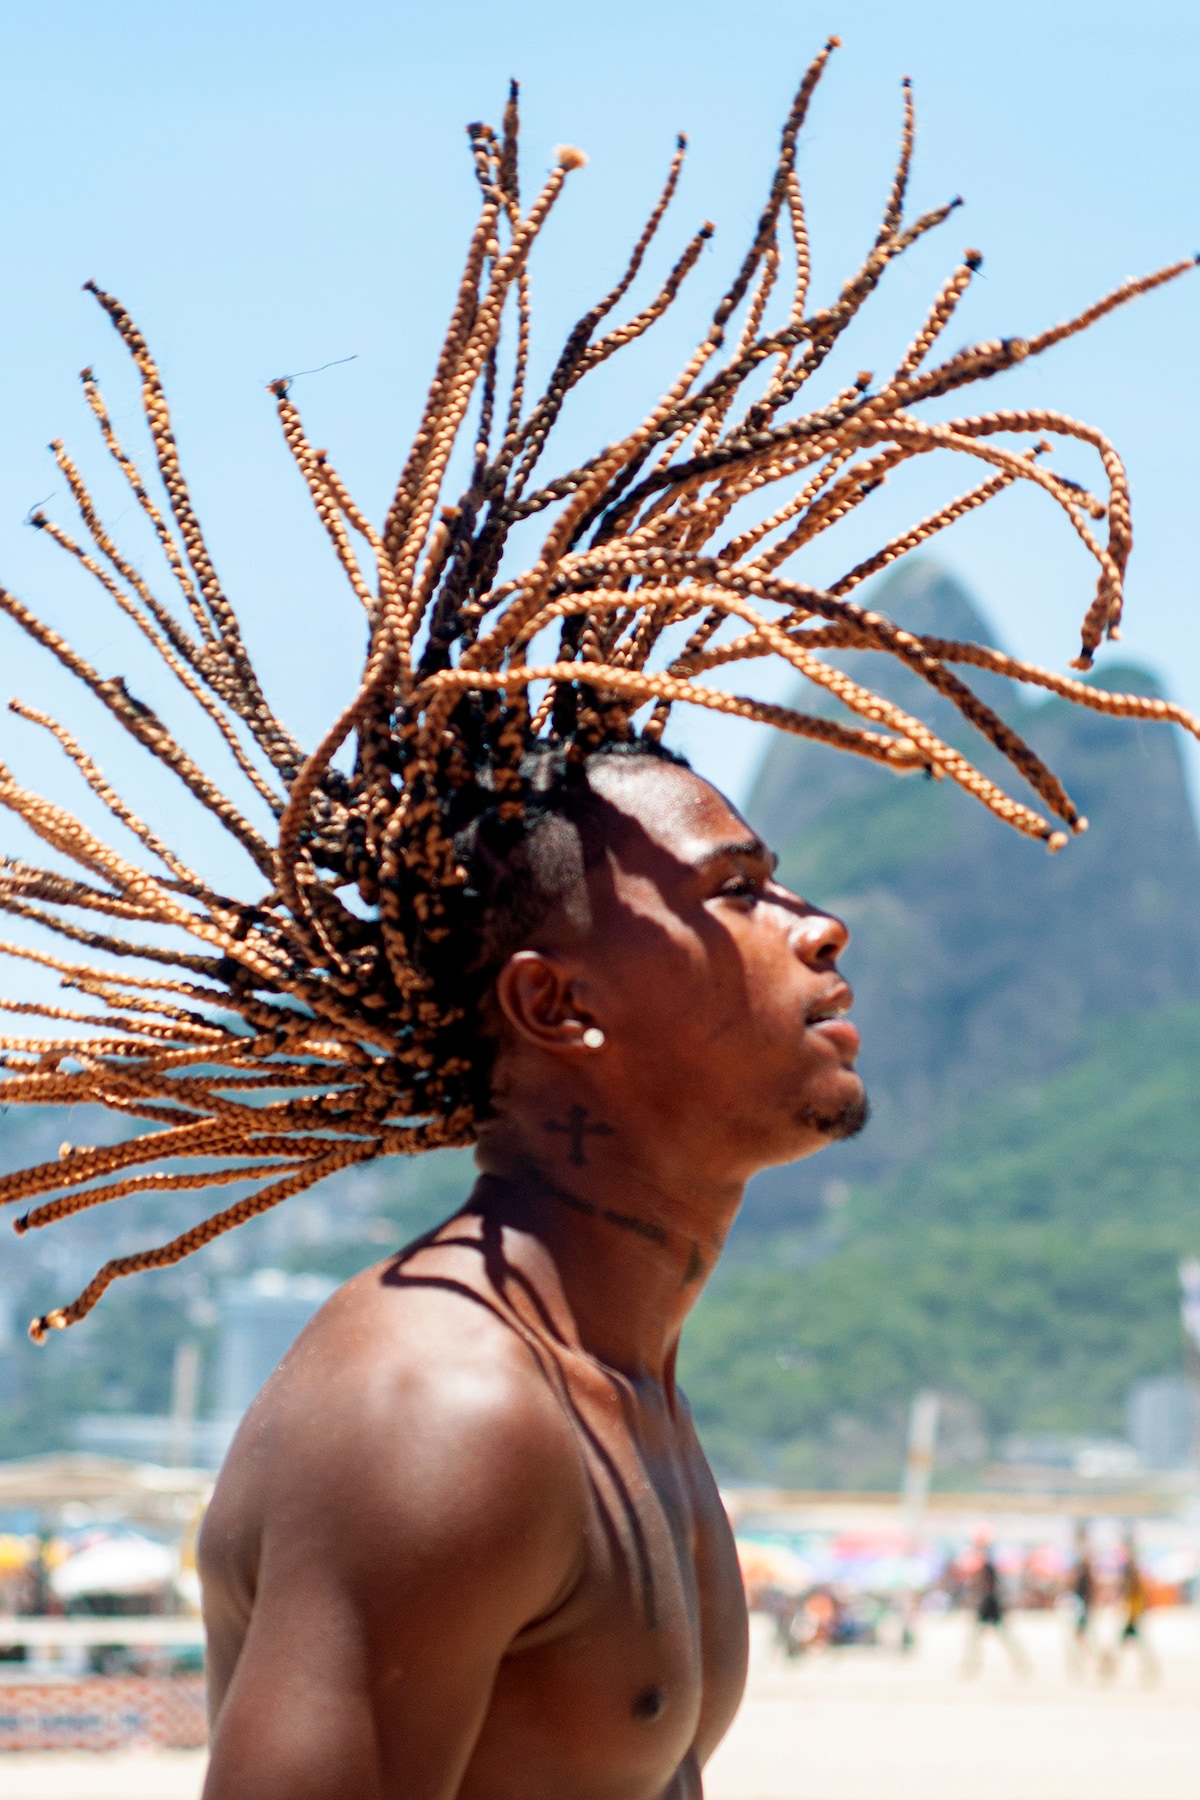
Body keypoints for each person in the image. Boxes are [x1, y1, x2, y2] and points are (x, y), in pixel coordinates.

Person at [1, 37, 1195, 1800]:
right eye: (740, 889)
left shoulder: (619, 1387)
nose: (825, 924)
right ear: (560, 1008)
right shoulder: (440, 1415)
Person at [962, 1537, 1031, 1678]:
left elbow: (988, 1588)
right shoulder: (988, 1568)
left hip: (989, 1606)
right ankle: (972, 1665)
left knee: (984, 1638)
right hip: (990, 1605)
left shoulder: (987, 1568)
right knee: (989, 1637)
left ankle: (972, 1665)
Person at [1102, 1528, 1160, 1685]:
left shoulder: (1131, 1568)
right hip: (1133, 1613)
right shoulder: (1133, 1568)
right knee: (1137, 1646)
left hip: (1132, 1614)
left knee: (1128, 1645)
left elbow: (1131, 1589)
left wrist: (1121, 1602)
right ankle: (1148, 1671)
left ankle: (1110, 1673)